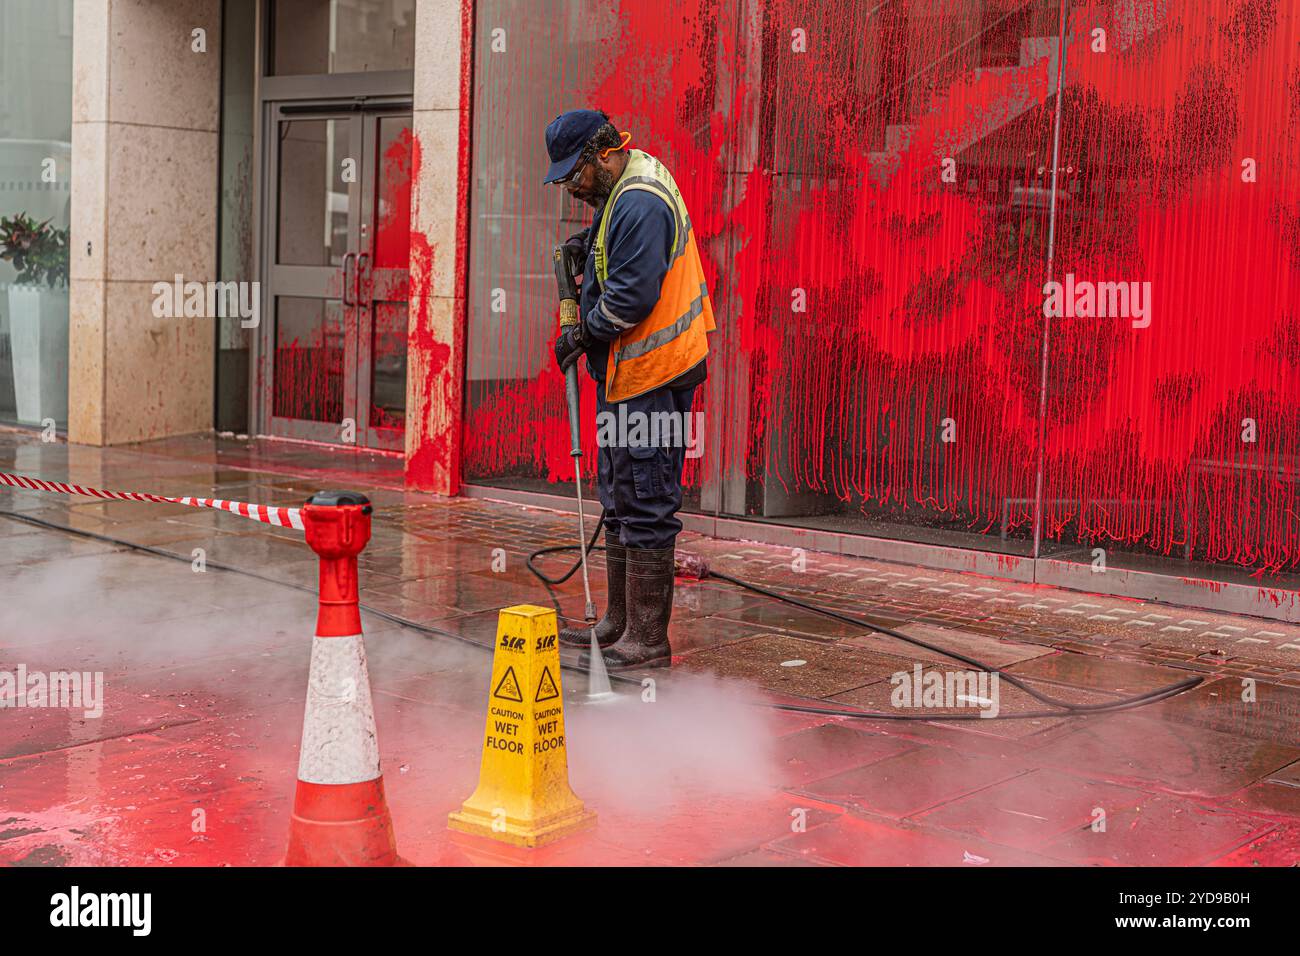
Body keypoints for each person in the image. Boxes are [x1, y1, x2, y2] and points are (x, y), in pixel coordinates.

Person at [542, 109, 715, 670]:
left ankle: (647, 639)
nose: (573, 187)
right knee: (618, 493)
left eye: (576, 175)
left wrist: (581, 333)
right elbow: (612, 252)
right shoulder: (620, 190)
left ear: (603, 153)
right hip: (627, 375)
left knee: (646, 496)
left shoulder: (639, 199)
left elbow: (632, 299)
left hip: (656, 375)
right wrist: (586, 246)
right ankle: (618, 622)